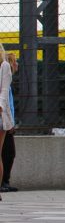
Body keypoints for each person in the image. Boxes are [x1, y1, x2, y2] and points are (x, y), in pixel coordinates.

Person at [1, 49, 16, 192]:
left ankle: (4, 181)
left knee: (8, 153)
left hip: (5, 120)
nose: (17, 65)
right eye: (15, 62)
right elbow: (7, 104)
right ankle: (3, 182)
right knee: (8, 152)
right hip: (4, 120)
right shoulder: (5, 73)